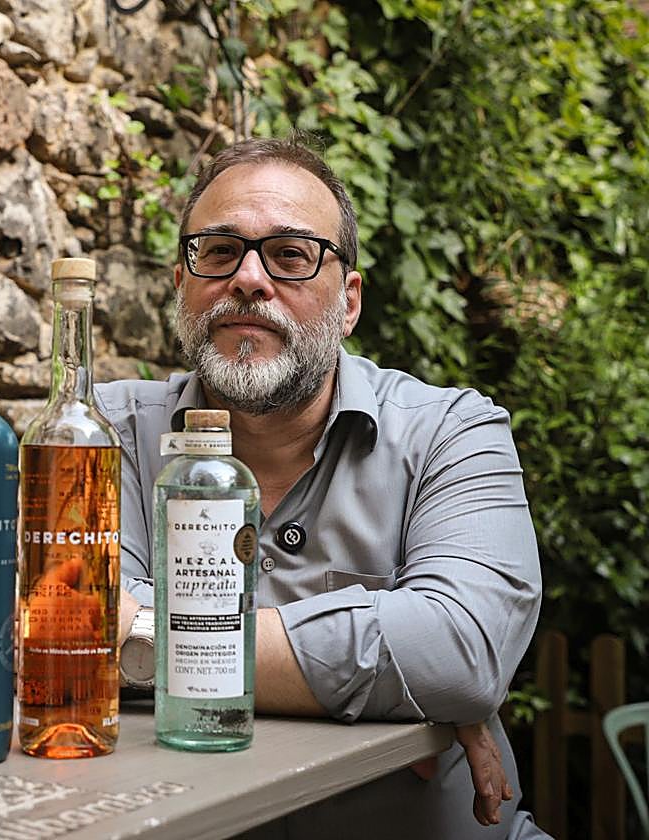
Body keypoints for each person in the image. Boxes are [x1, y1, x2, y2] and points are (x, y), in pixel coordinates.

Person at [95, 136, 548, 839]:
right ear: (181, 283)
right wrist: (395, 686)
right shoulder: (103, 435)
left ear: (349, 302)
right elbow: (50, 628)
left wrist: (141, 638)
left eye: (291, 255)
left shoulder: (450, 432)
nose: (249, 278)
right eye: (219, 250)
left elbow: (461, 651)